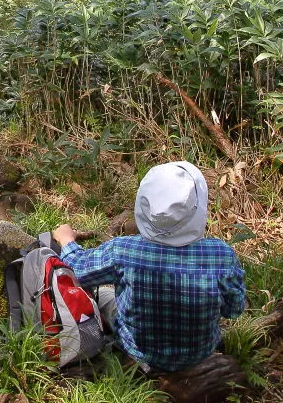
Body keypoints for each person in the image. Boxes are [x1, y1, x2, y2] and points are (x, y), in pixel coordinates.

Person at [52, 160, 245, 373]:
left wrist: (66, 240)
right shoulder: (221, 255)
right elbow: (234, 310)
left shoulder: (123, 250)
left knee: (104, 293)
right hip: (200, 353)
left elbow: (77, 271)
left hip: (139, 351)